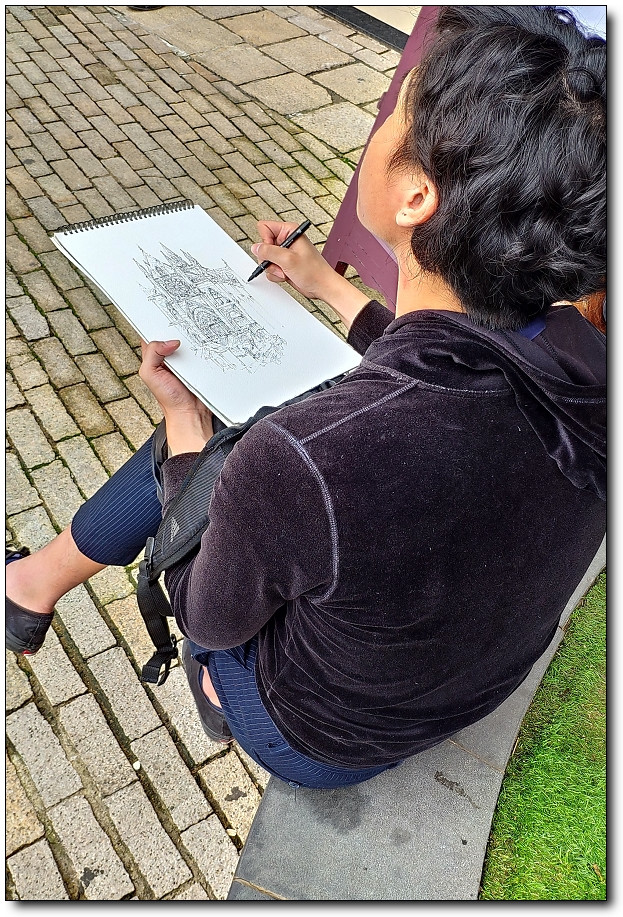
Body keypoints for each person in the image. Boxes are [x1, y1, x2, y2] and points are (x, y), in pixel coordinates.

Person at [6, 6, 606, 789]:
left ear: (415, 196)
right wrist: (326, 285)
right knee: (269, 448)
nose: (379, 129)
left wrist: (183, 424)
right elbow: (456, 355)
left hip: (319, 735)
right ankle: (34, 584)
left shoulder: (303, 461)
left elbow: (204, 609)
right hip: (462, 688)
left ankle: (147, 653)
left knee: (218, 441)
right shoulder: (582, 356)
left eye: (395, 113)